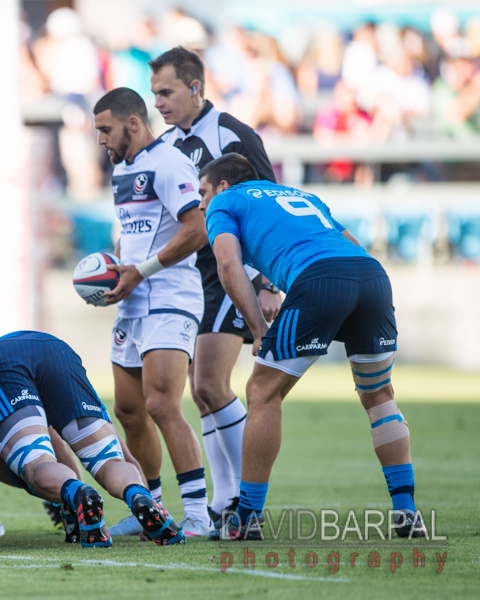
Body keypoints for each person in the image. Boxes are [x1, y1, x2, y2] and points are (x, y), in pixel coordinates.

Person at [198, 153, 425, 541]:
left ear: (221, 186)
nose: (200, 203)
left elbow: (228, 265)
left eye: (202, 192)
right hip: (370, 274)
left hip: (319, 278)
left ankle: (246, 517)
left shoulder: (225, 201)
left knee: (262, 391)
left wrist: (258, 329)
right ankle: (406, 512)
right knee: (379, 396)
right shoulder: (298, 194)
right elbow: (349, 240)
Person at [150, 46, 283, 527]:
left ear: (194, 88)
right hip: (192, 278)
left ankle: (249, 500)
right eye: (154, 94)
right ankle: (225, 499)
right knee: (201, 390)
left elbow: (272, 200)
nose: (159, 102)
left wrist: (269, 282)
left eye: (166, 92)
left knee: (209, 383)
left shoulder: (232, 133)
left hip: (235, 272)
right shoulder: (165, 145)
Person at [91, 87, 213, 538]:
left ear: (133, 123)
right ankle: (153, 508)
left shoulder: (168, 162)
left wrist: (139, 271)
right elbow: (135, 235)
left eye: (106, 129)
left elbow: (197, 228)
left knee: (162, 403)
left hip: (169, 295)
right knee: (128, 410)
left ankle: (198, 514)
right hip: (134, 299)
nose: (101, 139)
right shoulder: (123, 169)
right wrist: (114, 270)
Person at [0, 331, 185, 546]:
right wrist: (147, 499)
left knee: (37, 465)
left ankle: (76, 495)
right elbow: (127, 459)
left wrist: (34, 482)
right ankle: (137, 495)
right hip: (53, 347)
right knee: (110, 461)